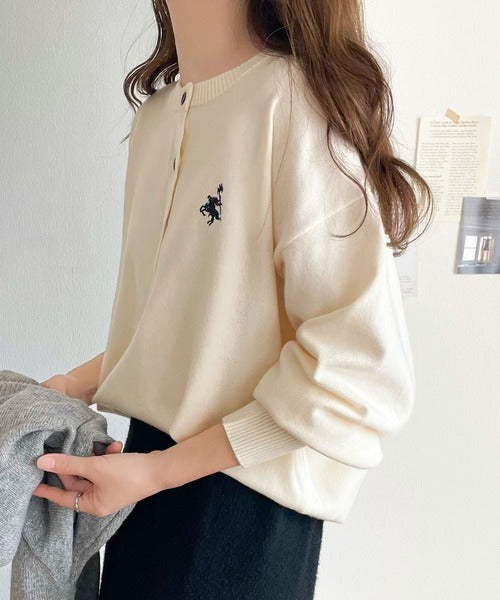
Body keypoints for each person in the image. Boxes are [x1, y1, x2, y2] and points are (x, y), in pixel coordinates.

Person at [33, 1, 434, 598]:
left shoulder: (292, 106)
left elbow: (359, 372)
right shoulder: (157, 120)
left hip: (245, 506)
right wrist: (72, 386)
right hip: (142, 477)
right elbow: (181, 329)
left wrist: (159, 472)